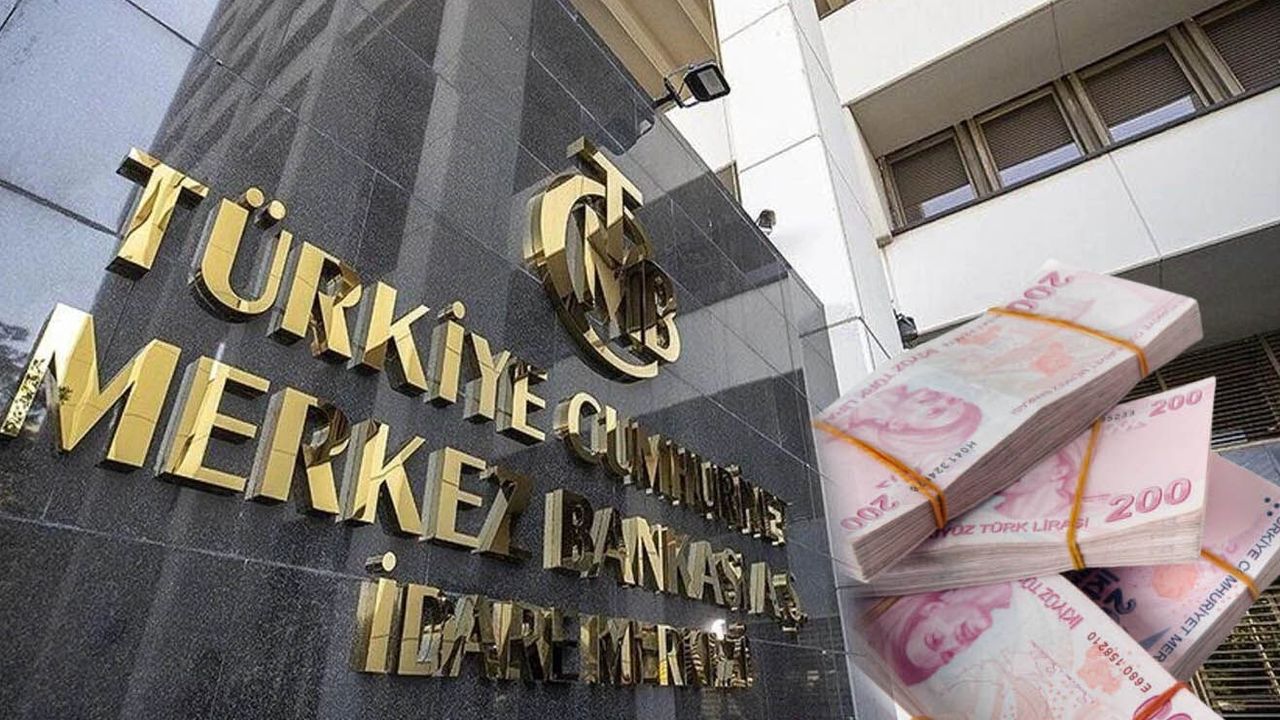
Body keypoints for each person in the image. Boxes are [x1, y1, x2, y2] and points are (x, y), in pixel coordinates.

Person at [865, 583, 1013, 685]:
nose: (957, 643)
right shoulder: (1005, 599)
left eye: (936, 638)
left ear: (932, 609)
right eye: (949, 654)